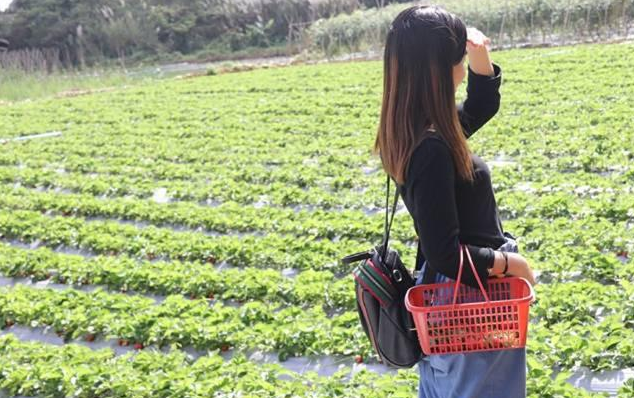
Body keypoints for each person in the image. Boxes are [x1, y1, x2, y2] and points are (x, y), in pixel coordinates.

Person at [373, 4, 537, 398]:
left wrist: (483, 59)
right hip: (468, 297)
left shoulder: (419, 130)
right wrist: (512, 264)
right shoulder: (431, 148)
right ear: (438, 70)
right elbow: (446, 253)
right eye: (460, 60)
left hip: (453, 293)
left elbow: (481, 107)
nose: (463, 67)